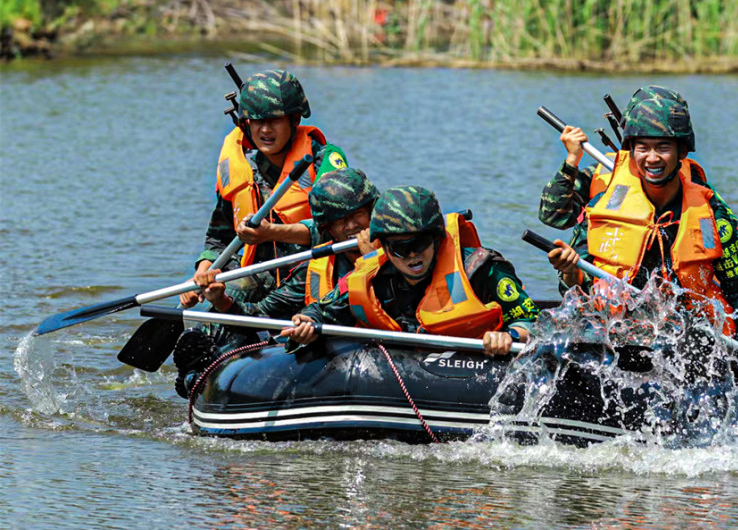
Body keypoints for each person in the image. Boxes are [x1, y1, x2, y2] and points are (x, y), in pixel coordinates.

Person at [544, 88, 738, 371]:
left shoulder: (711, 212)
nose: (652, 158)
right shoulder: (604, 206)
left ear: (682, 151)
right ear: (631, 151)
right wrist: (569, 269)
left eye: (663, 148)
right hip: (619, 338)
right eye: (642, 147)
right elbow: (574, 287)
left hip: (688, 340)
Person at [171, 168, 377, 398]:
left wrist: (371, 261)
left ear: (372, 212)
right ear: (328, 230)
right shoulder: (314, 271)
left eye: (356, 215)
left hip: (391, 355)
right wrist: (221, 301)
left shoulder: (402, 252)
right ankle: (204, 376)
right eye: (339, 221)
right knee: (246, 334)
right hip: (335, 359)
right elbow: (260, 318)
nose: (350, 227)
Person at [281, 186, 538, 356]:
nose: (413, 255)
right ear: (383, 247)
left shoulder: (481, 268)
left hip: (474, 361)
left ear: (437, 238)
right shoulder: (370, 277)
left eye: (419, 244)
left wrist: (511, 335)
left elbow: (535, 321)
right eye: (401, 249)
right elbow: (320, 311)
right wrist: (306, 323)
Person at [179, 69, 348, 309]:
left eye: (275, 120)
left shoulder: (323, 163)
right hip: (260, 274)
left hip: (317, 270)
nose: (265, 130)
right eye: (257, 121)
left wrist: (272, 232)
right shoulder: (243, 171)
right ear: (246, 124)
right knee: (219, 313)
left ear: (295, 120)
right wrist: (204, 271)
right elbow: (219, 237)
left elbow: (343, 231)